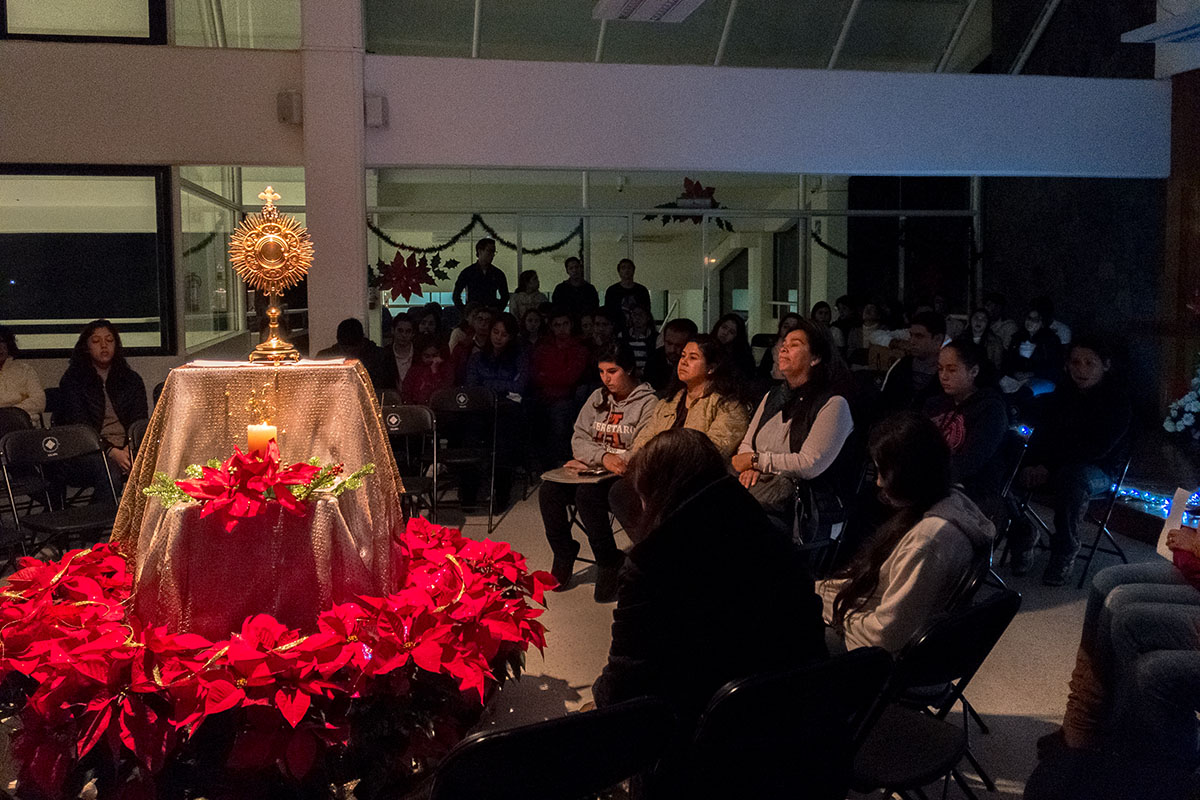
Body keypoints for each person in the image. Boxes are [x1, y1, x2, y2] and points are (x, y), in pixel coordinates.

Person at [592, 428, 828, 725]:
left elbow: (623, 685)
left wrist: (599, 696)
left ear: (655, 494)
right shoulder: (772, 534)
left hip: (711, 734)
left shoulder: (650, 565)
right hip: (795, 714)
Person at [819, 412, 995, 653]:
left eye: (883, 473)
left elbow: (886, 635)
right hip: (869, 626)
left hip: (876, 658)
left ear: (910, 473)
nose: (879, 482)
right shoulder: (951, 501)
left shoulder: (929, 541)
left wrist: (837, 614)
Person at [539, 344, 656, 602]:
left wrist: (601, 460)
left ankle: (607, 559)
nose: (606, 378)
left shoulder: (648, 403)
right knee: (549, 490)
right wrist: (601, 458)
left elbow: (642, 448)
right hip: (595, 466)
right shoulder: (597, 397)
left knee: (587, 493)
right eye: (602, 371)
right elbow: (578, 438)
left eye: (613, 371)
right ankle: (563, 550)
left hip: (622, 474)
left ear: (630, 369)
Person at [1010, 338, 1132, 585]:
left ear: (1105, 365)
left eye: (1089, 363)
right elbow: (1042, 434)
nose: (1081, 369)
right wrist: (1030, 464)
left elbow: (1095, 449)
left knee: (1072, 477)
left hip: (1098, 470)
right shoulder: (1061, 395)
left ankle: (1065, 550)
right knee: (1007, 463)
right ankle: (1022, 533)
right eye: (1075, 362)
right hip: (1052, 464)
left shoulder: (1118, 401)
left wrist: (1049, 467)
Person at [733, 319, 855, 531]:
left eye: (795, 344)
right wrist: (752, 463)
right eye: (784, 342)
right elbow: (746, 443)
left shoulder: (834, 404)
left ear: (815, 357)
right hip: (763, 496)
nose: (784, 348)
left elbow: (809, 464)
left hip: (802, 510)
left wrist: (757, 461)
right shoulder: (773, 396)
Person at [57, 320, 148, 497]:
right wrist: (111, 451)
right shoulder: (73, 380)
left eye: (109, 340)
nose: (104, 346)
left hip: (127, 447)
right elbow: (79, 426)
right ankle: (102, 522)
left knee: (160, 463)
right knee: (110, 471)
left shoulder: (131, 379)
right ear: (86, 346)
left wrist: (129, 449)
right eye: (96, 341)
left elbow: (139, 420)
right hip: (88, 450)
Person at [923, 340, 1008, 518]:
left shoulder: (990, 410)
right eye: (940, 369)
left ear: (974, 371)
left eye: (952, 370)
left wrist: (929, 479)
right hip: (932, 478)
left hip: (968, 488)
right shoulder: (935, 404)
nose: (944, 376)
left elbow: (971, 460)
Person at [531, 307, 590, 466]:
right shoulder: (543, 347)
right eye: (557, 325)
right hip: (543, 396)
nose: (562, 328)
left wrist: (548, 376)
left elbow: (571, 377)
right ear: (551, 327)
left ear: (571, 325)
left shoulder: (580, 349)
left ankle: (558, 463)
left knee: (559, 416)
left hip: (567, 397)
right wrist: (556, 377)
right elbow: (536, 374)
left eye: (565, 324)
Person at [879, 310, 945, 414]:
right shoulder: (902, 365)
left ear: (937, 339)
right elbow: (884, 402)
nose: (912, 341)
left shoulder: (948, 372)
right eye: (911, 335)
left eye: (919, 336)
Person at [465, 312, 529, 398]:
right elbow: (472, 386)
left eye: (504, 335)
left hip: (510, 406)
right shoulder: (477, 358)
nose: (498, 338)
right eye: (495, 332)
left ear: (511, 337)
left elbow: (520, 386)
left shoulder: (520, 358)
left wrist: (487, 383)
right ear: (490, 331)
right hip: (482, 405)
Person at [1002, 304, 1064, 391]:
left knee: (1026, 392)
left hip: (1041, 378)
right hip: (1017, 378)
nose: (1030, 322)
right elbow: (1008, 360)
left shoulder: (1051, 340)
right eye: (1029, 318)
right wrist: (1014, 372)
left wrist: (1032, 373)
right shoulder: (1017, 337)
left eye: (1035, 320)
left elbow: (1054, 367)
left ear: (1042, 322)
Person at [0, 326, 45, 422]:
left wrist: (10, 413)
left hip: (22, 426)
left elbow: (39, 401)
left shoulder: (25, 370)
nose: (0, 347)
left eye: (2, 342)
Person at [643, 317, 699, 393]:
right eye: (669, 343)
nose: (672, 349)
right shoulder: (655, 359)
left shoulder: (697, 362)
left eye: (678, 345)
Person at [452, 238, 509, 310]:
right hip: (474, 311)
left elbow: (505, 296)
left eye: (493, 252)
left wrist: (498, 310)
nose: (492, 255)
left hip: (490, 311)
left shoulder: (498, 273)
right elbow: (456, 295)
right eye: (489, 251)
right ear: (480, 251)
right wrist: (465, 311)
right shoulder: (468, 272)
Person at [450, 305, 495, 384]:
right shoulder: (462, 347)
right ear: (474, 322)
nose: (483, 324)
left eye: (487, 321)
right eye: (480, 319)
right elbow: (453, 372)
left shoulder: (497, 347)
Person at [401, 337, 453, 406]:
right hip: (416, 409)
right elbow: (406, 392)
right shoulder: (414, 370)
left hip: (440, 409)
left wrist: (435, 372)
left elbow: (443, 392)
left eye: (435, 355)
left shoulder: (446, 369)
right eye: (427, 356)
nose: (431, 359)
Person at [756, 312, 803, 383]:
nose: (789, 330)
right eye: (785, 327)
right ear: (780, 329)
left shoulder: (807, 354)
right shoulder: (771, 351)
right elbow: (761, 378)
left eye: (794, 328)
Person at [551, 256, 599, 322]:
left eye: (577, 267)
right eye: (571, 268)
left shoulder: (590, 289)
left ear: (581, 268)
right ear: (567, 271)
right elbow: (556, 310)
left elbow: (594, 309)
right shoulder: (560, 289)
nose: (574, 270)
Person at [378, 313, 416, 395]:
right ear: (393, 331)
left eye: (408, 331)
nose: (404, 335)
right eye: (400, 330)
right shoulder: (383, 355)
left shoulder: (419, 354)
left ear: (413, 334)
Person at [710, 313, 756, 380]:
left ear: (737, 337)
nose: (725, 333)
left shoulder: (741, 358)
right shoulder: (706, 345)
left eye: (731, 332)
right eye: (724, 327)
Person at [623, 305, 657, 377]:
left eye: (640, 314)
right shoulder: (623, 335)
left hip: (648, 374)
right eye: (635, 314)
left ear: (647, 317)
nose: (637, 318)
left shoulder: (655, 337)